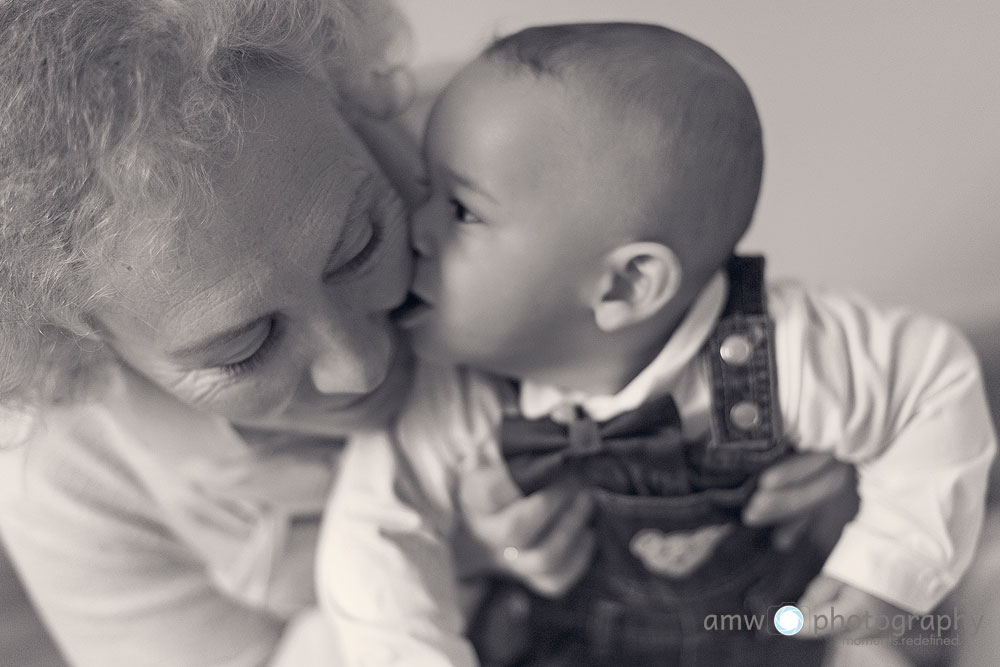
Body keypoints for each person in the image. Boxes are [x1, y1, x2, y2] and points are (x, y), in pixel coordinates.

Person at [318, 22, 997, 667]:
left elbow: (931, 383)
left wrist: (890, 562)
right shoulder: (455, 394)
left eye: (461, 209)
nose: (415, 227)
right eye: (425, 192)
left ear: (626, 285)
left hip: (785, 639)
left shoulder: (780, 350)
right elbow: (372, 535)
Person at [0, 2, 616, 665]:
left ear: (352, 98)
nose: (363, 366)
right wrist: (429, 563)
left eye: (360, 246)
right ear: (79, 343)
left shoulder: (517, 139)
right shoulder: (62, 480)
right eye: (245, 348)